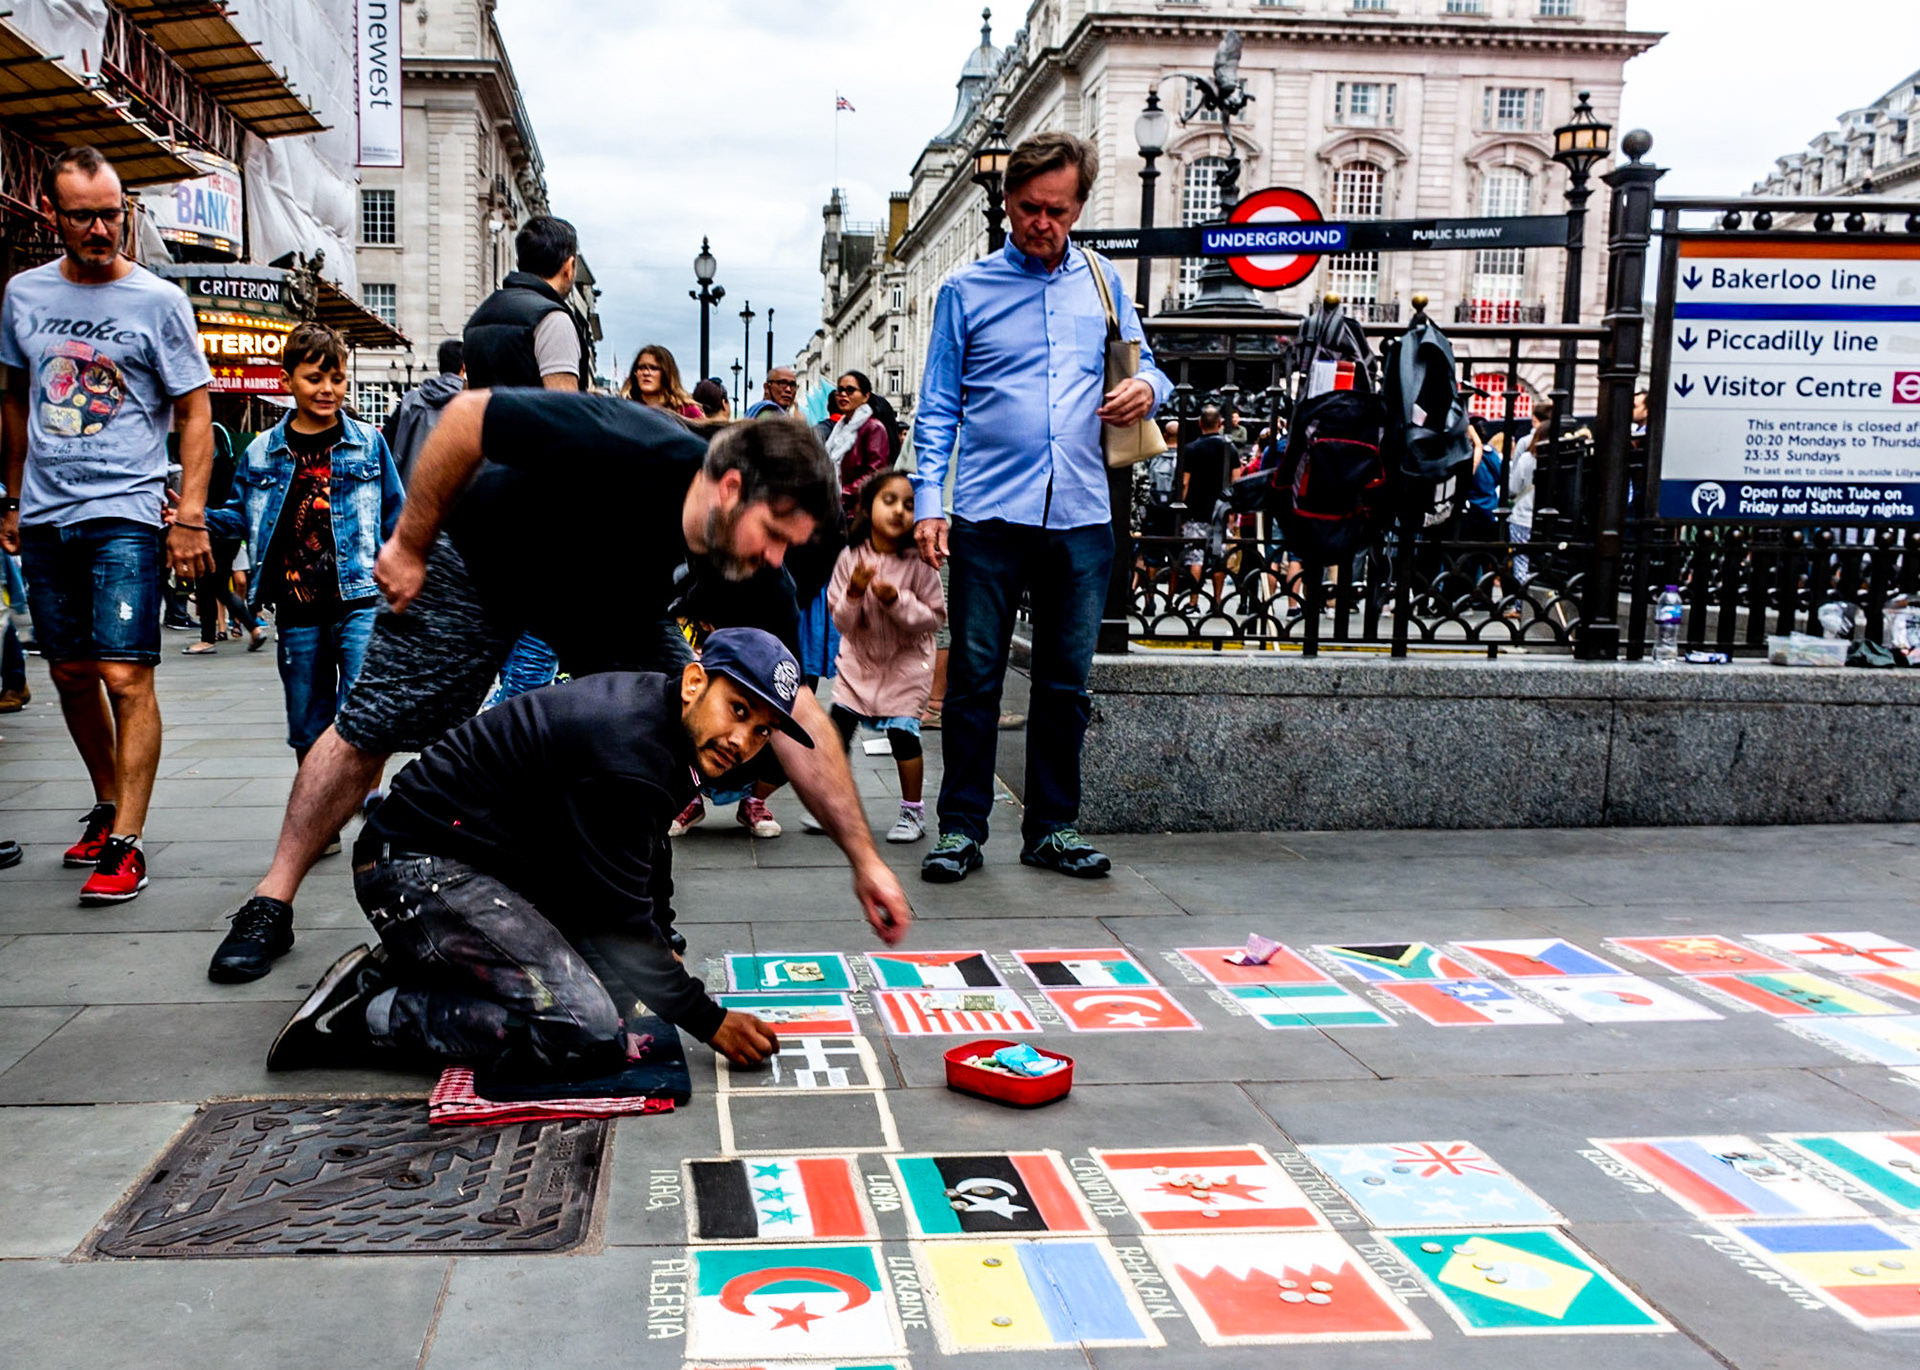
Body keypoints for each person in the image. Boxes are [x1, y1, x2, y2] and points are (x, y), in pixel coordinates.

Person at [206, 392, 913, 982]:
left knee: (677, 719)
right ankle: (272, 899)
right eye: (774, 533)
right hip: (486, 558)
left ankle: (639, 922)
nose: (777, 557)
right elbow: (468, 417)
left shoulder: (756, 574)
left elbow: (796, 710)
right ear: (731, 488)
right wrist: (410, 544)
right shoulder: (636, 445)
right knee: (377, 721)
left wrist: (866, 860)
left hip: (610, 610)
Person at [265, 628, 798, 1077]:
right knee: (589, 1031)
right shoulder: (630, 749)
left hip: (482, 861)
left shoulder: (664, 722)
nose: (742, 741)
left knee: (623, 985)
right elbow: (619, 918)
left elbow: (648, 848)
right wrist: (708, 1020)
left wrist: (665, 935)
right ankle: (366, 1011)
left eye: (761, 731)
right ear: (695, 682)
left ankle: (431, 964)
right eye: (737, 710)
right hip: (413, 869)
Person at [910, 131, 1169, 884]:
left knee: (1064, 684)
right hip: (990, 513)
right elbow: (938, 408)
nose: (1041, 223)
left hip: (1083, 514)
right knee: (974, 681)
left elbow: (1150, 366)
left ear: (1079, 206)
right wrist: (930, 503)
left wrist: (1146, 387)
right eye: (1028, 207)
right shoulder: (965, 291)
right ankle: (960, 831)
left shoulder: (1103, 282)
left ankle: (1052, 828)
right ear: (1008, 201)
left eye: (1056, 209)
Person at [0, 145, 216, 905]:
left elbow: (195, 409)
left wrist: (190, 515)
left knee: (125, 675)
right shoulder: (23, 295)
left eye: (111, 214)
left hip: (124, 510)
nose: (100, 229)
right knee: (68, 674)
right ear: (53, 215)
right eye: (83, 216)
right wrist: (13, 498)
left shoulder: (158, 301)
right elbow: (17, 399)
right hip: (46, 513)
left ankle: (127, 842)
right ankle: (106, 803)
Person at [201, 323, 404, 940]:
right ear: (289, 379)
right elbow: (238, 514)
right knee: (307, 721)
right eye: (315, 378)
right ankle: (320, 819)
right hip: (295, 606)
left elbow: (396, 512)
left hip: (360, 597)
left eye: (337, 378)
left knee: (361, 711)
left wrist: (405, 565)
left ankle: (368, 809)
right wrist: (191, 518)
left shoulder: (368, 442)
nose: (328, 389)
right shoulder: (263, 451)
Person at [828, 471, 944, 843]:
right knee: (836, 733)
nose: (898, 511)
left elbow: (934, 618)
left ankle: (913, 811)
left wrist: (898, 601)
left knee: (903, 736)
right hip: (858, 666)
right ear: (868, 507)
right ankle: (834, 805)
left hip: (906, 667)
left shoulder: (920, 563)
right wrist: (854, 593)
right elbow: (841, 621)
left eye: (910, 505)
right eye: (889, 501)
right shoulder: (850, 557)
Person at [461, 216, 589, 392]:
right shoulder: (553, 320)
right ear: (568, 267)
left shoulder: (479, 317)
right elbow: (564, 403)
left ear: (519, 263)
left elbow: (468, 394)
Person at [181, 424, 266, 657]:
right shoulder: (234, 468)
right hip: (233, 534)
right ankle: (253, 627)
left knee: (206, 585)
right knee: (219, 585)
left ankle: (207, 639)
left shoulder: (205, 470)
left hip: (210, 530)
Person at [1176, 404, 1235, 608]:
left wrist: (1181, 509)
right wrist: (1233, 511)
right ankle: (1217, 601)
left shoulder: (1191, 449)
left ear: (1200, 424)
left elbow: (1185, 482)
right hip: (1220, 510)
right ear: (1220, 424)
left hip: (1196, 509)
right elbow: (1236, 481)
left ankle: (1193, 601)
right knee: (1218, 556)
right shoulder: (1230, 449)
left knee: (1196, 557)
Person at [383, 339, 466, 484]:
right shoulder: (471, 403)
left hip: (410, 488)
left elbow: (385, 442)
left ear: (440, 365)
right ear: (463, 367)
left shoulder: (409, 401)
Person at [826, 371, 893, 508]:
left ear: (865, 396)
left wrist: (842, 495)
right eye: (840, 390)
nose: (843, 394)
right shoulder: (840, 428)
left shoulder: (873, 428)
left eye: (850, 390)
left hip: (857, 510)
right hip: (836, 507)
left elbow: (875, 474)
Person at [621, 344, 703, 419]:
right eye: (641, 368)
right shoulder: (624, 409)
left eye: (653, 368)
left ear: (667, 373)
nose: (646, 373)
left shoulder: (687, 411)